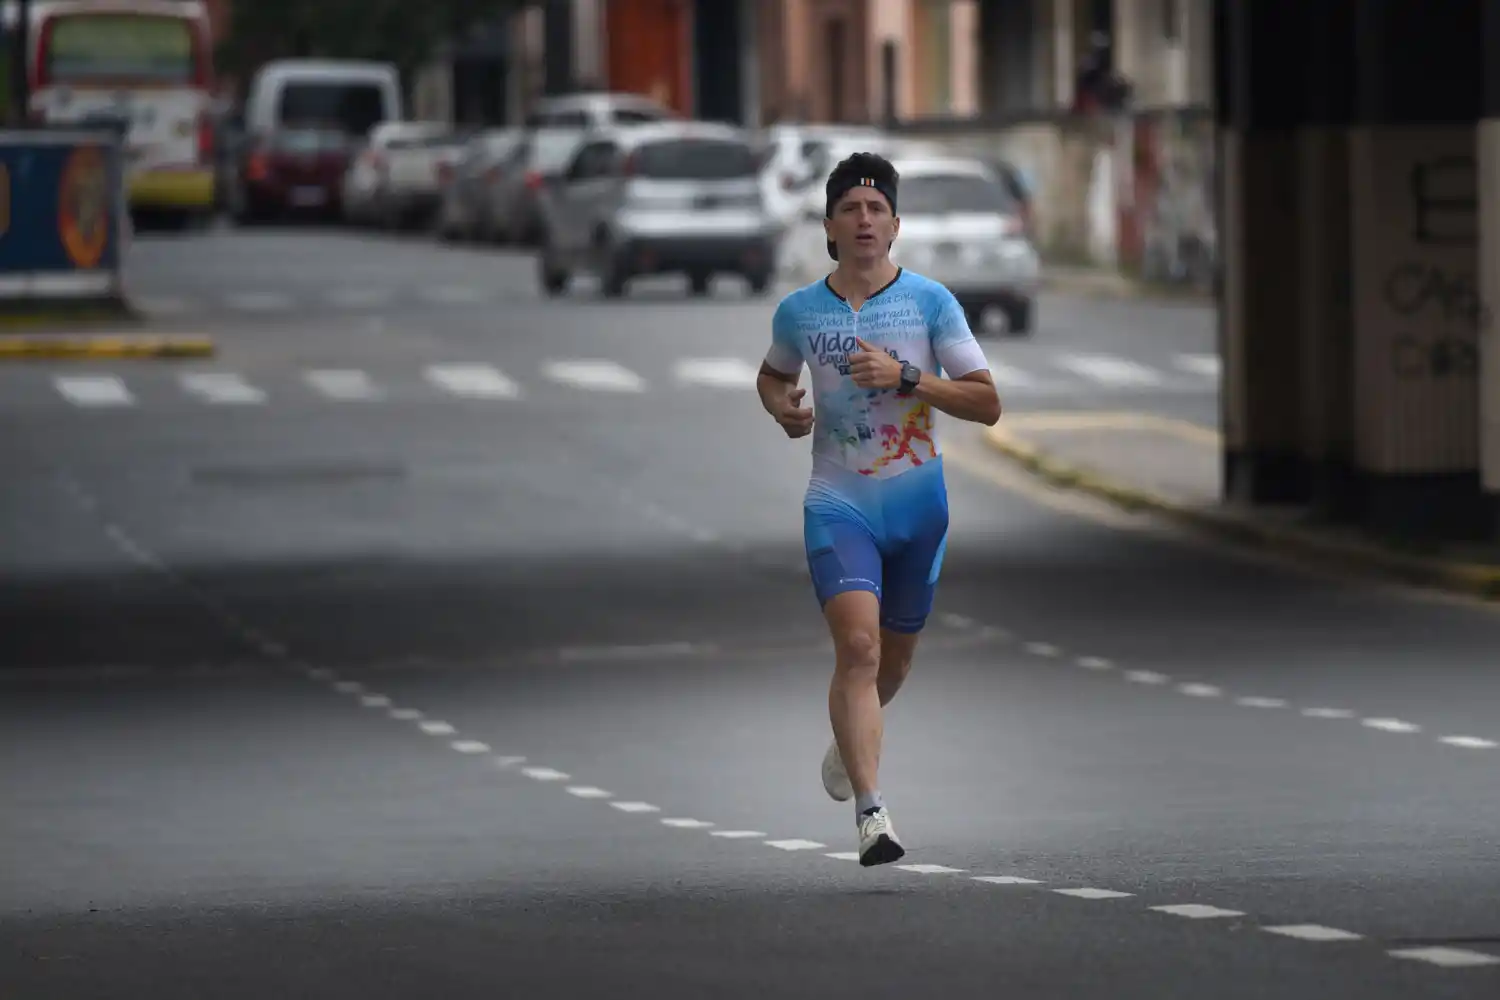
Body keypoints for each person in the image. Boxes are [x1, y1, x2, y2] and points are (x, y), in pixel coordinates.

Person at [756, 152, 1003, 866]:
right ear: (829, 227)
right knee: (858, 650)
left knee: (891, 666)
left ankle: (847, 747)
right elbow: (772, 376)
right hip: (840, 503)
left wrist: (908, 377)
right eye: (849, 210)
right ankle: (872, 814)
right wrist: (784, 409)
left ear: (895, 225)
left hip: (920, 509)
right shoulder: (800, 311)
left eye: (876, 209)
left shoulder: (930, 303)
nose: (863, 220)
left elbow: (986, 402)